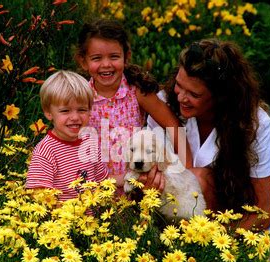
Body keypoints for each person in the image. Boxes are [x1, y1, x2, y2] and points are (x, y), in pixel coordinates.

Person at [147, 39, 270, 231]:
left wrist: (213, 243)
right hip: (183, 209)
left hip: (240, 213)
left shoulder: (254, 124)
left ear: (221, 97)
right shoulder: (164, 103)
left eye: (194, 94)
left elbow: (263, 212)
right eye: (179, 85)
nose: (180, 97)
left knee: (198, 178)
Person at [75, 19, 193, 188]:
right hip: (94, 189)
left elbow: (173, 126)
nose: (106, 64)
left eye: (114, 56)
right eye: (97, 58)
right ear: (83, 61)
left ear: (126, 56)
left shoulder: (136, 92)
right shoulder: (80, 96)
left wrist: (187, 173)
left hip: (137, 187)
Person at [26, 70, 108, 200]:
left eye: (81, 110)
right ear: (48, 113)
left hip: (92, 218)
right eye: (65, 111)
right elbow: (39, 197)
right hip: (60, 218)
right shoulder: (46, 151)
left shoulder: (90, 142)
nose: (75, 117)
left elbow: (103, 183)